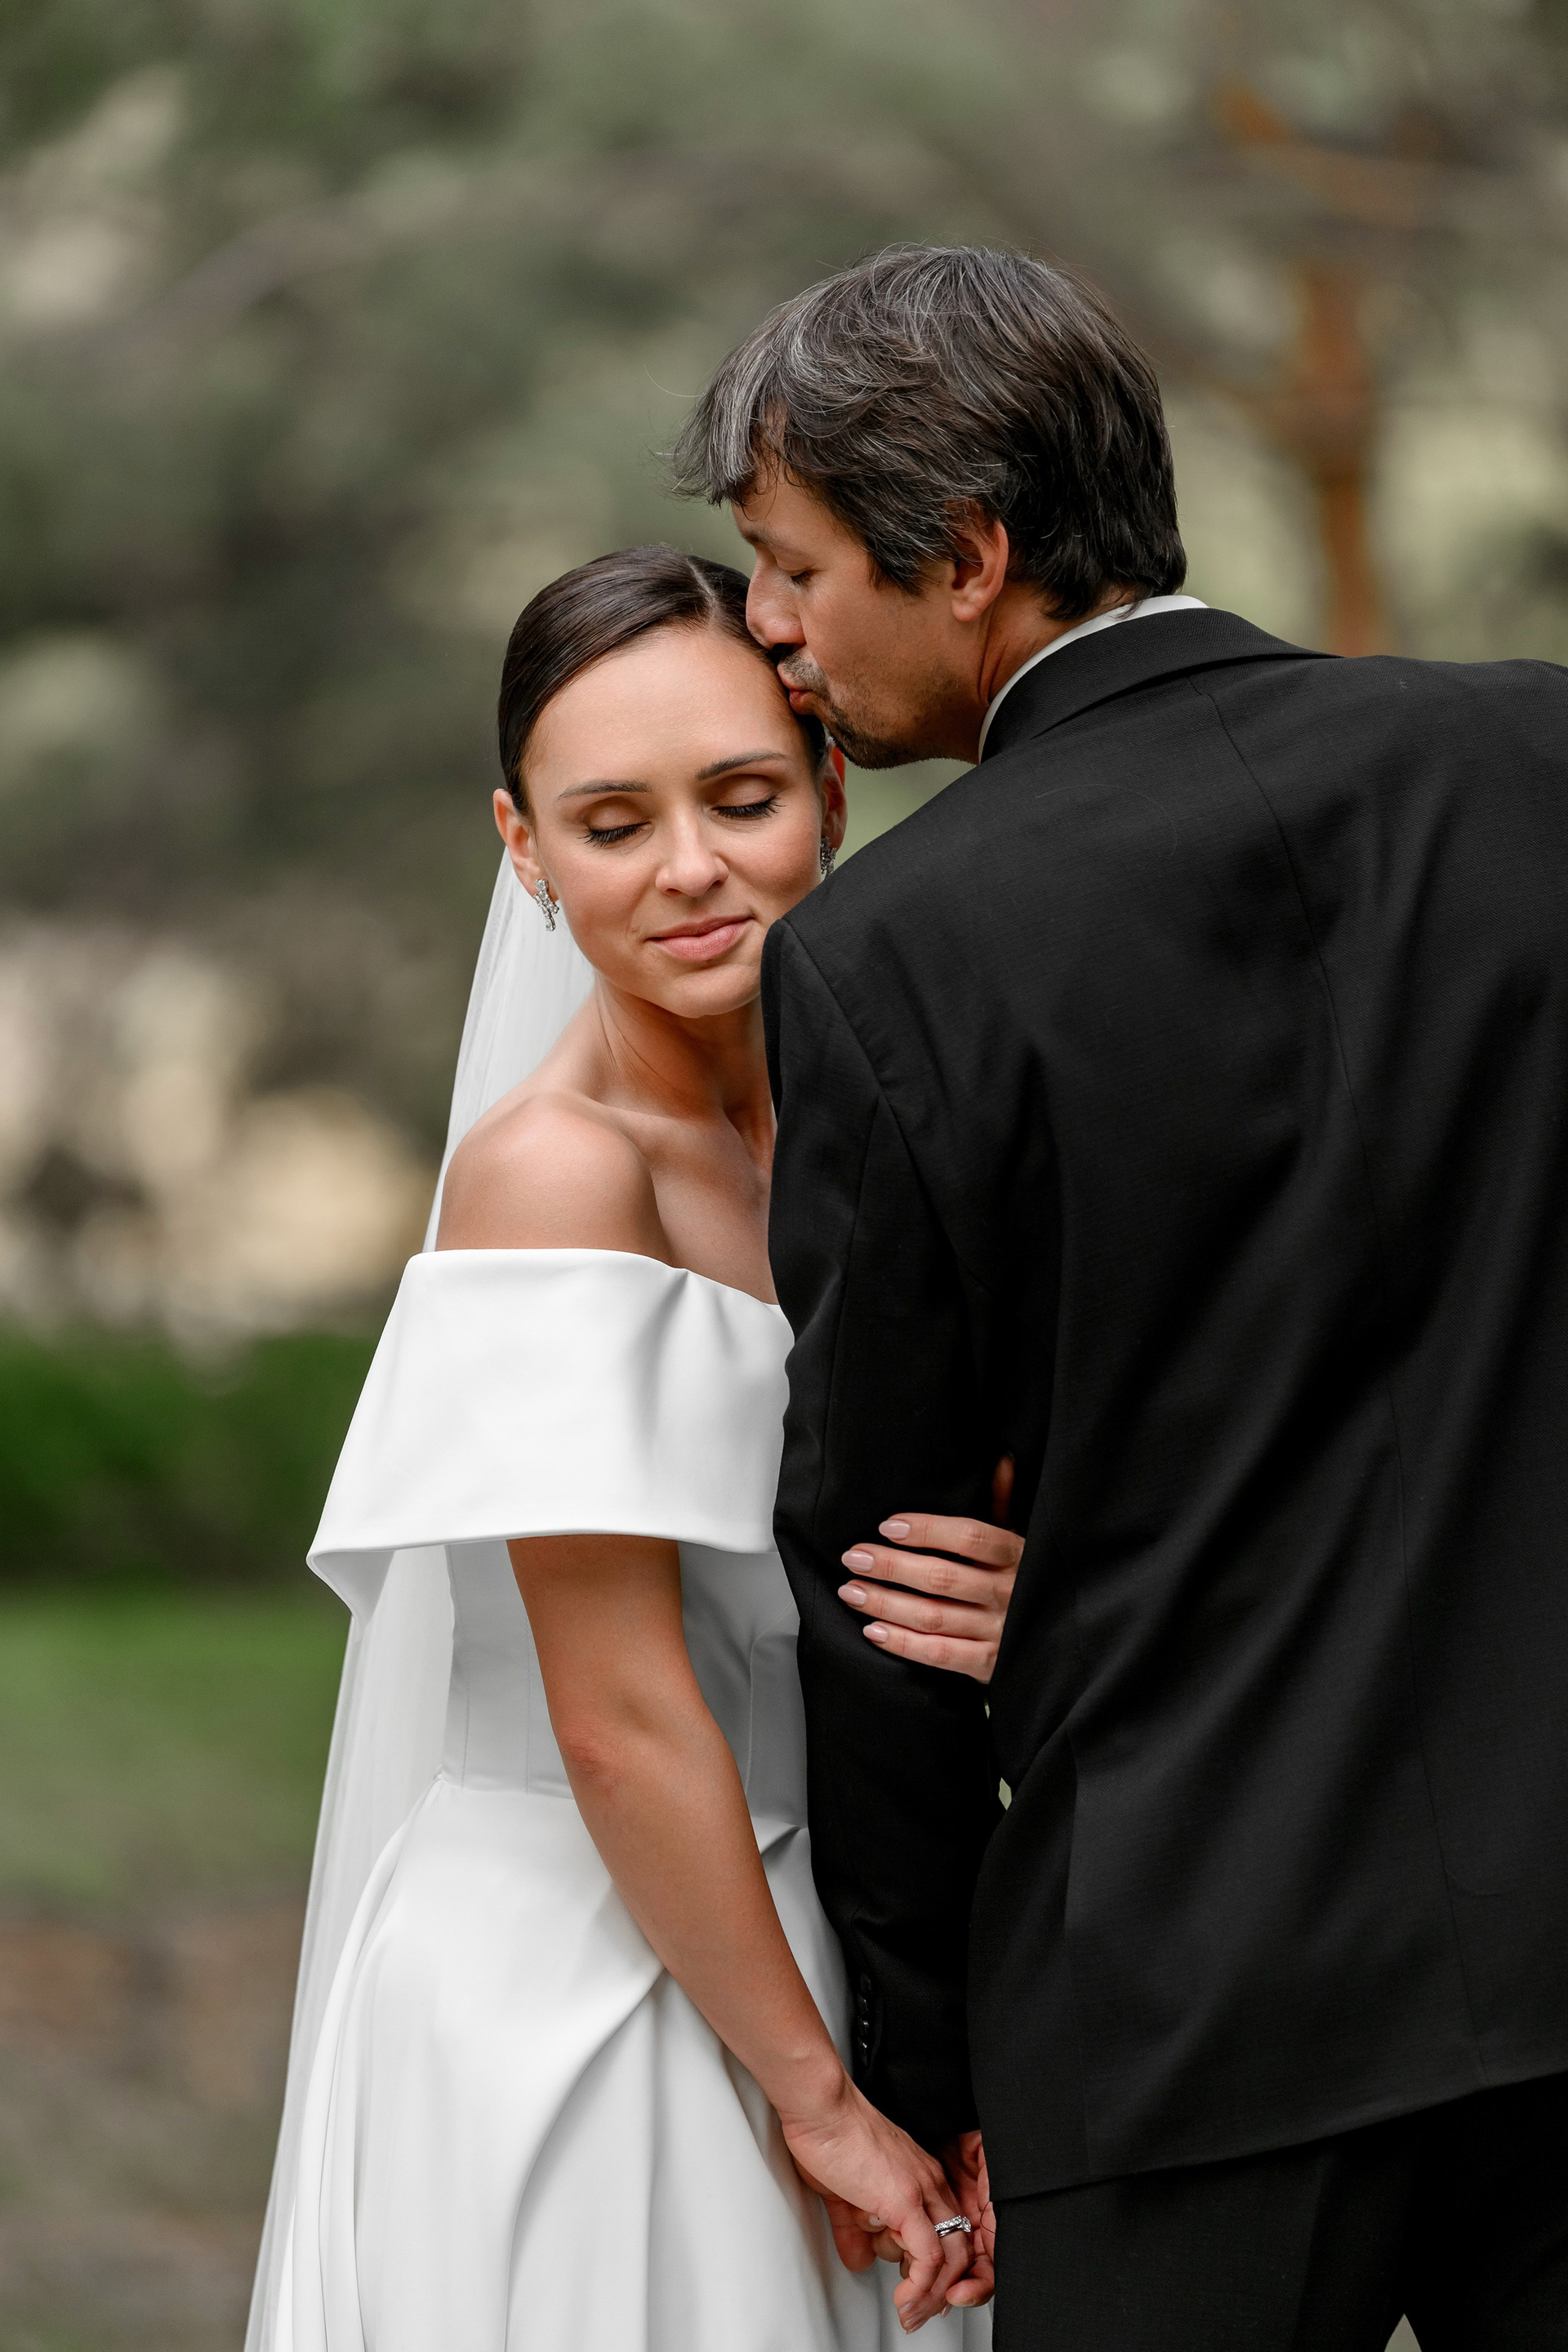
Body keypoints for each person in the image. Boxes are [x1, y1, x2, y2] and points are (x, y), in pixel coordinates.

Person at [674, 243, 1568, 2349]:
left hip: (1181, 2009)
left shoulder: (891, 954)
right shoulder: (1540, 767)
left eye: (794, 569)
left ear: (969, 557)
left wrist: (928, 2057)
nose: (770, 626)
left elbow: (877, 1575)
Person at [246, 545, 1018, 2352]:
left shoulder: (876, 1129)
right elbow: (617, 1710)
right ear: (523, 848)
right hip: (588, 1980)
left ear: (831, 792)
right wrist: (818, 2100)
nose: (689, 868)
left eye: (742, 798)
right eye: (612, 824)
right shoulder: (553, 1174)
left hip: (829, 1930)